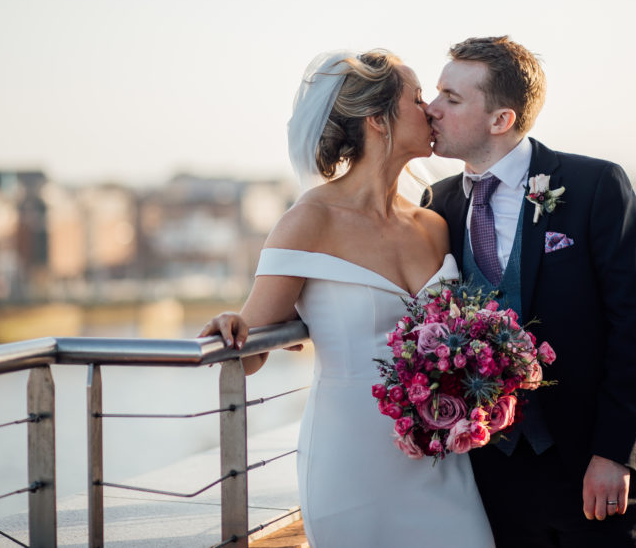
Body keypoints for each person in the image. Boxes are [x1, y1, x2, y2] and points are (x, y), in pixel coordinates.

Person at [199, 50, 496, 547]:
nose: (431, 110)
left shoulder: (434, 226)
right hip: (351, 463)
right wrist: (232, 322)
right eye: (417, 98)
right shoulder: (308, 221)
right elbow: (250, 352)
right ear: (378, 120)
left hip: (440, 455)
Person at [424, 36, 636, 547]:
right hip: (493, 471)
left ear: (501, 120)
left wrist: (614, 453)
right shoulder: (437, 205)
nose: (431, 108)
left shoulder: (594, 185)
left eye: (451, 97)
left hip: (595, 466)